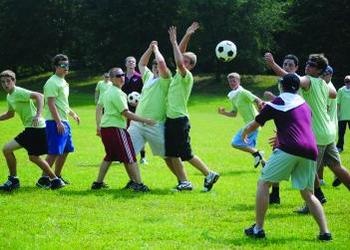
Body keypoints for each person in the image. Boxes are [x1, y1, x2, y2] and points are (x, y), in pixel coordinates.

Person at [243, 74, 332, 241]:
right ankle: (325, 232)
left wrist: (244, 132)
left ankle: (258, 229)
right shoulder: (305, 105)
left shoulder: (278, 102)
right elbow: (297, 124)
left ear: (281, 86)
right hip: (311, 150)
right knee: (308, 194)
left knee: (263, 183)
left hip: (289, 148)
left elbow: (255, 123)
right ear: (298, 87)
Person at [265, 53, 350, 214]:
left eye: (312, 65)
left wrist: (273, 65)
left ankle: (311, 205)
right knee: (336, 166)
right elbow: (333, 93)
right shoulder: (324, 84)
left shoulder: (309, 80)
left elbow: (292, 79)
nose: (307, 66)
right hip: (328, 133)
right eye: (308, 63)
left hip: (316, 134)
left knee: (309, 173)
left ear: (318, 70)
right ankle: (317, 198)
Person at [166, 23, 220, 192]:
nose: (183, 61)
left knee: (186, 154)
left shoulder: (186, 75)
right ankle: (184, 182)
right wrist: (187, 35)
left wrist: (174, 42)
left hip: (179, 120)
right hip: (171, 119)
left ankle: (209, 173)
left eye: (186, 61)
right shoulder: (178, 73)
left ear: (190, 66)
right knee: (172, 153)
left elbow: (179, 60)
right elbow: (180, 56)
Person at [92, 67, 155, 191]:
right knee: (130, 157)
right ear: (111, 78)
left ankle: (98, 183)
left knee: (109, 156)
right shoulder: (118, 93)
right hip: (116, 129)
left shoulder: (107, 91)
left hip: (106, 128)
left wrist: (98, 125)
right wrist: (145, 120)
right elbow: (126, 114)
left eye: (122, 75)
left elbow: (99, 108)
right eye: (118, 76)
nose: (122, 78)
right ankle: (139, 184)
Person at [0, 70, 64, 191]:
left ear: (14, 81)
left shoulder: (18, 92)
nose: (5, 84)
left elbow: (39, 96)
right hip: (32, 129)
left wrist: (38, 114)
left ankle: (14, 180)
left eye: (8, 81)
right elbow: (10, 114)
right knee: (32, 157)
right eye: (3, 82)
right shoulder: (10, 96)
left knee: (8, 150)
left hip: (35, 128)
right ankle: (55, 180)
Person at [36, 54, 80, 188]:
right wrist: (58, 122)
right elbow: (51, 104)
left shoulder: (64, 82)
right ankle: (43, 179)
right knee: (54, 152)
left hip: (64, 121)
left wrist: (72, 114)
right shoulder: (52, 82)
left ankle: (57, 176)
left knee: (66, 150)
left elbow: (63, 103)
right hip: (54, 122)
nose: (66, 68)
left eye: (67, 65)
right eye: (63, 65)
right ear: (56, 67)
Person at [265, 54, 299, 205]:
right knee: (276, 153)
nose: (287, 67)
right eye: (285, 64)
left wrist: (272, 64)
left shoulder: (297, 81)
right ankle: (275, 194)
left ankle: (317, 193)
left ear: (296, 68)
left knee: (302, 162)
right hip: (284, 125)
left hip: (296, 127)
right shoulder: (283, 82)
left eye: (290, 65)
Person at [218, 72, 265, 168]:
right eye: (230, 81)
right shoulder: (233, 96)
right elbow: (234, 113)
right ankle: (265, 163)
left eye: (234, 81)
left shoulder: (243, 92)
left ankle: (258, 153)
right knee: (250, 147)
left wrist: (261, 113)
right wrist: (223, 113)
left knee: (235, 142)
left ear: (239, 81)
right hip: (249, 124)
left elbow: (258, 100)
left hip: (254, 122)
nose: (232, 83)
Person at [122, 56, 147, 164]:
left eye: (133, 61)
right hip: (123, 108)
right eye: (129, 61)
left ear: (135, 64)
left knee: (138, 131)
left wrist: (137, 101)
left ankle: (143, 157)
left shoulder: (139, 77)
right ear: (126, 64)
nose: (131, 63)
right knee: (124, 131)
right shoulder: (121, 77)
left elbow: (145, 92)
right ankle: (124, 154)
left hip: (137, 108)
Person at [318, 66, 337, 186]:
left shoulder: (328, 88)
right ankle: (335, 175)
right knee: (324, 156)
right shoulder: (328, 87)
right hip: (330, 126)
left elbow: (325, 108)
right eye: (321, 74)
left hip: (326, 125)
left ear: (330, 75)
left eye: (325, 74)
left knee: (317, 156)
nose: (322, 76)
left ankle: (320, 180)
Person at [336, 75, 350, 153]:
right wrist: (338, 114)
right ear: (344, 82)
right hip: (342, 116)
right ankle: (339, 147)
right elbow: (338, 103)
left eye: (349, 81)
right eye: (346, 81)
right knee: (341, 133)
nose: (348, 83)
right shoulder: (340, 90)